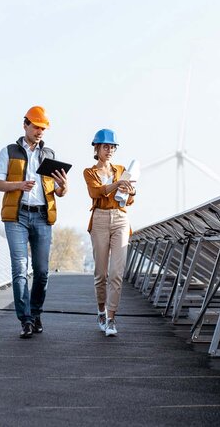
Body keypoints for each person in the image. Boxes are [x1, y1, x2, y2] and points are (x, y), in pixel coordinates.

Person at [0, 106, 68, 339]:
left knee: (42, 271)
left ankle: (35, 314)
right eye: (36, 126)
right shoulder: (9, 151)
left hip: (43, 216)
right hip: (17, 216)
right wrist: (19, 185)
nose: (40, 131)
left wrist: (64, 186)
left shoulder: (50, 155)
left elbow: (59, 191)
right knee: (20, 269)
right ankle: (24, 319)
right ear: (25, 125)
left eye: (43, 128)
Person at [83, 128, 135, 337]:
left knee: (116, 273)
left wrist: (130, 192)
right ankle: (101, 311)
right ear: (97, 148)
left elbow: (129, 201)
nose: (110, 150)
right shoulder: (89, 172)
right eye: (106, 146)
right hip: (100, 219)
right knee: (101, 274)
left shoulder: (121, 169)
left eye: (112, 146)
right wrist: (117, 184)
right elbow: (95, 192)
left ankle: (112, 318)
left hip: (120, 218)